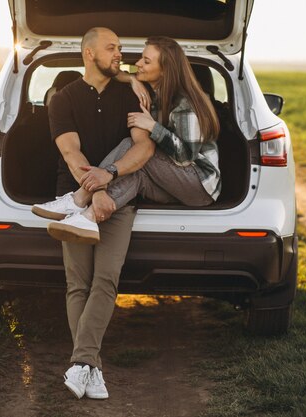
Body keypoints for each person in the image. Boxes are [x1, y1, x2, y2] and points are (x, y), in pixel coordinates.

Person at [31, 27, 155, 400]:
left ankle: (82, 363)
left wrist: (110, 182)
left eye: (120, 47)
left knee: (106, 280)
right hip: (75, 202)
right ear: (89, 53)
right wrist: (96, 191)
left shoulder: (129, 94)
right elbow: (71, 154)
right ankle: (92, 366)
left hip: (118, 203)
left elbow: (143, 148)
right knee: (78, 284)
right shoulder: (63, 99)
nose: (120, 53)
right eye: (112, 47)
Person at [42, 35, 221, 244]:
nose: (137, 64)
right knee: (137, 175)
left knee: (132, 145)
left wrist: (153, 127)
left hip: (198, 186)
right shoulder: (152, 93)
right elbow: (112, 72)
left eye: (146, 61)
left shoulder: (183, 104)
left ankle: (79, 198)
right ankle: (88, 218)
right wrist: (132, 79)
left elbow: (186, 157)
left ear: (164, 70)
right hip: (174, 183)